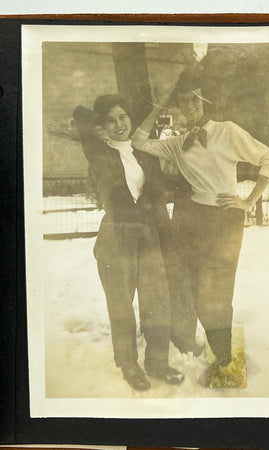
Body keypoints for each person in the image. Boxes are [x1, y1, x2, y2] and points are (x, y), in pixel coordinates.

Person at [131, 70, 269, 384]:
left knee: (218, 295)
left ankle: (227, 371)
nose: (189, 105)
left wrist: (249, 200)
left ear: (205, 101)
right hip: (195, 220)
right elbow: (138, 141)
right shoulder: (177, 144)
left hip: (226, 221)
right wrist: (159, 105)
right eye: (183, 101)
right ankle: (221, 360)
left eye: (195, 99)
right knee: (198, 292)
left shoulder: (228, 131)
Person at [72, 95, 184, 391]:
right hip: (116, 235)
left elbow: (158, 191)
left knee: (157, 301)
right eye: (111, 119)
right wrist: (96, 129)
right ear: (101, 126)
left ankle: (157, 362)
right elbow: (79, 114)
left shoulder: (143, 153)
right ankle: (129, 364)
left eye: (123, 117)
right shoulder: (98, 151)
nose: (119, 124)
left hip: (148, 234)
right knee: (121, 305)